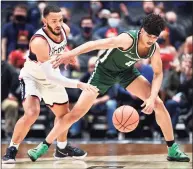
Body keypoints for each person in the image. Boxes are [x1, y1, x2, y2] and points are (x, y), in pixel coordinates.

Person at [28, 14, 190, 162]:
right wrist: (71, 54)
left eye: (155, 37)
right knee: (75, 114)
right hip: (103, 73)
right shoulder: (127, 39)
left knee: (158, 104)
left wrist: (152, 97)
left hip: (126, 72)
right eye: (148, 36)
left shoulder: (154, 48)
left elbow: (158, 74)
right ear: (141, 30)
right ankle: (43, 145)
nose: (150, 40)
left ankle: (172, 149)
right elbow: (95, 44)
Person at [2, 5, 98, 164]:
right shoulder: (39, 41)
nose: (58, 24)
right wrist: (78, 84)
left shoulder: (64, 29)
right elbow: (50, 76)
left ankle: (62, 148)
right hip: (33, 77)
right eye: (54, 21)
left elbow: (61, 47)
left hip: (52, 75)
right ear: (44, 21)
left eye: (60, 20)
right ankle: (12, 149)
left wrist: (67, 54)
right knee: (32, 113)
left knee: (63, 115)